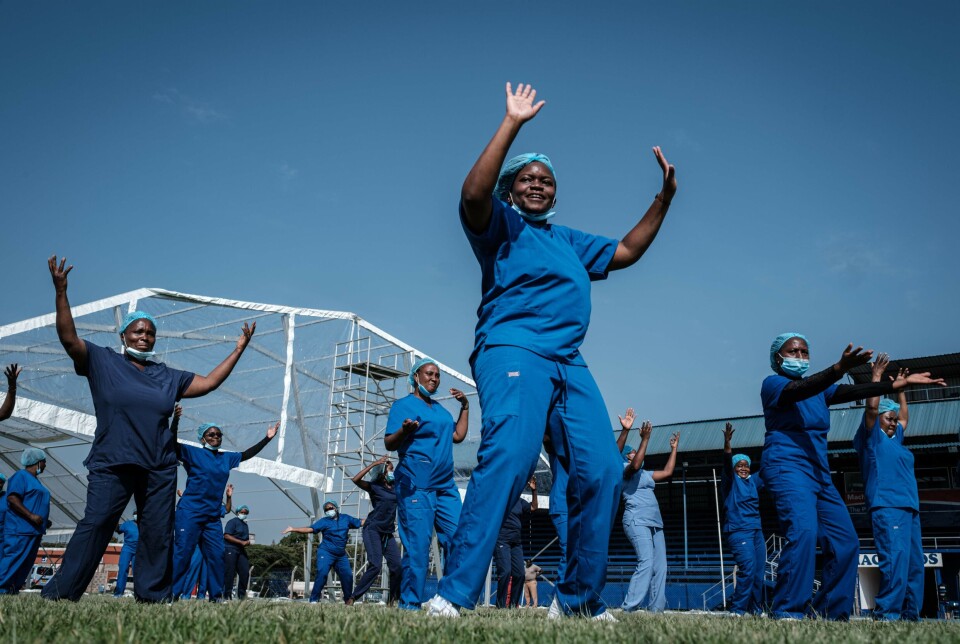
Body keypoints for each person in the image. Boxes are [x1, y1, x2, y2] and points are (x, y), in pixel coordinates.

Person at [428, 82, 677, 621]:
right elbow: (472, 195)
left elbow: (627, 250)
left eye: (546, 180)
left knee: (605, 471)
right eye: (527, 179)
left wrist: (664, 199)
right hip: (513, 347)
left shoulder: (567, 241)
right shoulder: (501, 225)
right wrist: (512, 122)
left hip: (569, 362)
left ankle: (579, 602)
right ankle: (454, 594)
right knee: (512, 457)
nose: (537, 184)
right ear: (512, 190)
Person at [42, 255, 258, 603]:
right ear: (124, 334)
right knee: (95, 524)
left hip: (158, 467)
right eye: (138, 331)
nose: (145, 336)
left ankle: (153, 597)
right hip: (113, 461)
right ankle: (61, 594)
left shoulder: (166, 375)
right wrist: (61, 292)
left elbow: (207, 383)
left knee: (158, 533)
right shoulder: (102, 361)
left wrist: (238, 350)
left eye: (150, 333)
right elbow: (69, 339)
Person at [760, 333, 943, 620]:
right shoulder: (774, 384)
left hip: (819, 472)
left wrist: (896, 385)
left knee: (846, 542)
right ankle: (787, 610)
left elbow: (853, 393)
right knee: (804, 532)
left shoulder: (822, 392)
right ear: (778, 357)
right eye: (793, 352)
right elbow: (803, 388)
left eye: (804, 352)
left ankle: (831, 613)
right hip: (788, 466)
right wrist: (838, 369)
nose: (800, 357)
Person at [855, 354, 940, 621]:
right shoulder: (872, 440)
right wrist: (877, 379)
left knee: (914, 565)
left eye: (893, 419)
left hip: (909, 509)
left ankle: (909, 616)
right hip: (887, 506)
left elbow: (904, 418)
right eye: (888, 418)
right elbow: (871, 410)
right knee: (895, 560)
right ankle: (887, 615)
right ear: (879, 419)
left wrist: (901, 392)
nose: (892, 422)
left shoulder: (896, 439)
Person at [384, 358, 468, 610]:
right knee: (418, 548)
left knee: (460, 538)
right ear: (416, 376)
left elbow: (458, 436)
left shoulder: (441, 412)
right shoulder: (403, 406)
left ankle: (448, 599)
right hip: (416, 485)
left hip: (445, 486)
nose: (434, 378)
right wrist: (404, 431)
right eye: (429, 374)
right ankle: (410, 604)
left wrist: (465, 406)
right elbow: (390, 443)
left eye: (438, 375)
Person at [172, 418, 277, 600]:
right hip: (190, 512)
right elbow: (171, 444)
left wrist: (267, 438)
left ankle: (216, 597)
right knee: (183, 553)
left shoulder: (226, 458)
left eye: (219, 434)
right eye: (211, 434)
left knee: (217, 556)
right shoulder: (192, 452)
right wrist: (175, 422)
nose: (216, 437)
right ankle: (172, 594)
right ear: (203, 438)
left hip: (212, 516)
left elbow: (246, 454)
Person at [616, 421, 679, 613]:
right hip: (636, 520)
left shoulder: (646, 474)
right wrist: (645, 439)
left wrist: (674, 449)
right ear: (626, 456)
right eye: (633, 451)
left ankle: (656, 610)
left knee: (661, 567)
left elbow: (668, 472)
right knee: (646, 562)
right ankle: (629, 608)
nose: (637, 453)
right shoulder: (625, 470)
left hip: (655, 523)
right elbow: (634, 465)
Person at [721, 422, 765, 616]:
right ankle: (737, 610)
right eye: (739, 466)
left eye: (746, 465)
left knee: (758, 573)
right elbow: (726, 462)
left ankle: (756, 609)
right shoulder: (730, 482)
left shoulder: (753, 481)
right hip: (739, 530)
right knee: (748, 569)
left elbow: (767, 468)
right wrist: (727, 443)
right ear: (734, 468)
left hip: (757, 531)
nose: (744, 468)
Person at [346, 455, 401, 606]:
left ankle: (391, 601)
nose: (392, 472)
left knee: (397, 566)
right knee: (375, 565)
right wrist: (373, 464)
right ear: (383, 471)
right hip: (373, 529)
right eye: (390, 469)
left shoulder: (396, 487)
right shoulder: (375, 487)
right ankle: (353, 598)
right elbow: (356, 480)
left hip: (387, 532)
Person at [283, 500, 362, 604]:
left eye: (330, 508)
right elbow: (310, 529)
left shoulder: (346, 518)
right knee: (322, 573)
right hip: (326, 552)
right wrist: (293, 529)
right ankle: (314, 600)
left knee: (347, 575)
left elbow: (361, 522)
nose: (329, 510)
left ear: (336, 508)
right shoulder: (324, 521)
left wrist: (377, 519)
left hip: (341, 555)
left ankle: (348, 600)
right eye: (326, 510)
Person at [0, 448, 50, 594]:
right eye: (44, 462)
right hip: (20, 529)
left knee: (25, 563)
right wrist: (31, 516)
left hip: (33, 531)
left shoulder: (35, 481)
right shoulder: (21, 476)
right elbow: (12, 498)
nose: (45, 465)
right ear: (37, 462)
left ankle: (12, 590)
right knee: (12, 560)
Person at [178, 483, 233, 599]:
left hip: (209, 544)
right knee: (192, 569)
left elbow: (227, 509)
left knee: (207, 572)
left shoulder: (215, 506)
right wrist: (184, 497)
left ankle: (202, 596)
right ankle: (185, 595)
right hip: (198, 545)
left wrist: (229, 497)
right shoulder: (199, 502)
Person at [494, 477, 538, 608]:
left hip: (516, 542)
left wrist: (534, 491)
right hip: (502, 539)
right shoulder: (501, 499)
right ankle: (500, 606)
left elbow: (534, 507)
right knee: (506, 572)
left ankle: (513, 606)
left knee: (519, 574)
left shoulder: (519, 501)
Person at [223, 503, 252, 601]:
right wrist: (241, 542)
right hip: (230, 548)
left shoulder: (245, 525)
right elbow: (226, 535)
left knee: (245, 572)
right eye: (242, 512)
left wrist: (247, 542)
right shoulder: (233, 522)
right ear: (237, 512)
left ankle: (241, 595)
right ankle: (227, 595)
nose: (243, 513)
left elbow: (246, 539)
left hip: (241, 550)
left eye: (245, 512)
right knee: (229, 572)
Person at [113, 513, 139, 597]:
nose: (136, 515)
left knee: (138, 572)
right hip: (127, 549)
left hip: (139, 550)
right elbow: (118, 530)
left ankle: (138, 594)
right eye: (135, 514)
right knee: (123, 569)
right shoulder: (127, 524)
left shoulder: (145, 524)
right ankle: (118, 593)